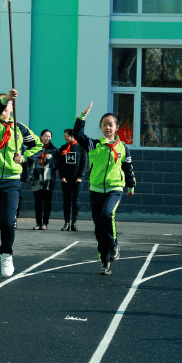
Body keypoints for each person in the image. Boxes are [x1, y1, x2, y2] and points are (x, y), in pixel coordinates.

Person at [0, 89, 40, 281]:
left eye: (8, 105)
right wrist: (4, 99)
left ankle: (6, 254)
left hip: (11, 181)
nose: (5, 107)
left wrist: (24, 156)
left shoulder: (20, 129)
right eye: (1, 104)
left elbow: (38, 146)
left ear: (12, 108)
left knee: (7, 221)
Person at [73, 102, 135, 276]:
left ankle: (114, 244)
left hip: (115, 188)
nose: (108, 127)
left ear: (116, 127)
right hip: (96, 190)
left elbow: (128, 169)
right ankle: (105, 261)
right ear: (100, 127)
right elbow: (77, 134)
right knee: (99, 227)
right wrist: (82, 116)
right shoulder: (93, 145)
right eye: (105, 124)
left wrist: (130, 186)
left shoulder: (123, 148)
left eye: (111, 124)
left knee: (107, 214)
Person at [55, 128, 87, 232]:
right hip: (66, 180)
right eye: (64, 135)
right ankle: (66, 223)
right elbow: (60, 164)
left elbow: (84, 163)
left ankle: (74, 223)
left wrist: (80, 177)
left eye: (66, 135)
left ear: (72, 136)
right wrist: (62, 176)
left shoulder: (81, 147)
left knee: (76, 202)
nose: (64, 137)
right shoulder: (63, 148)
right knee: (66, 201)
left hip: (77, 180)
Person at [29, 130, 56, 230]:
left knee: (47, 202)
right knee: (38, 202)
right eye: (45, 136)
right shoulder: (35, 148)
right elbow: (29, 162)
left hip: (48, 180)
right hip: (37, 179)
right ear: (41, 137)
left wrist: (50, 173)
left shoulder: (54, 150)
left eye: (49, 136)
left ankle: (45, 223)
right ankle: (38, 223)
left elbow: (56, 164)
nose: (47, 138)